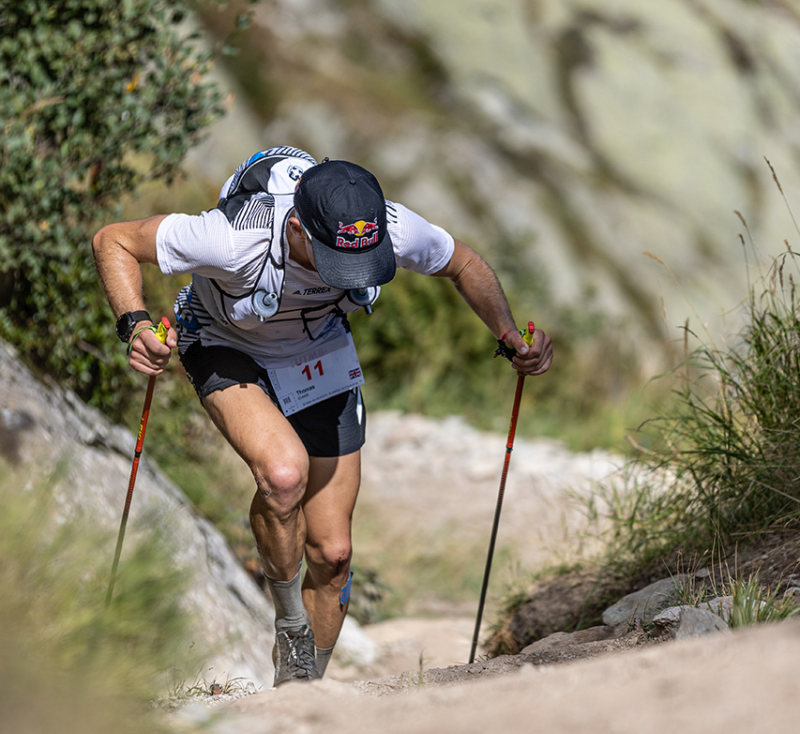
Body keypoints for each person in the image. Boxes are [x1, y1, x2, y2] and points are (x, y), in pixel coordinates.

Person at [92, 147, 553, 686]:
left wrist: (507, 334)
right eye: (335, 261)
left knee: (334, 555)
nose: (347, 275)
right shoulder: (231, 237)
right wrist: (136, 326)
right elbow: (114, 240)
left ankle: (302, 690)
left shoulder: (388, 225)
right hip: (223, 339)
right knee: (283, 474)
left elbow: (464, 263)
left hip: (318, 350)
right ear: (296, 229)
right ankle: (291, 625)